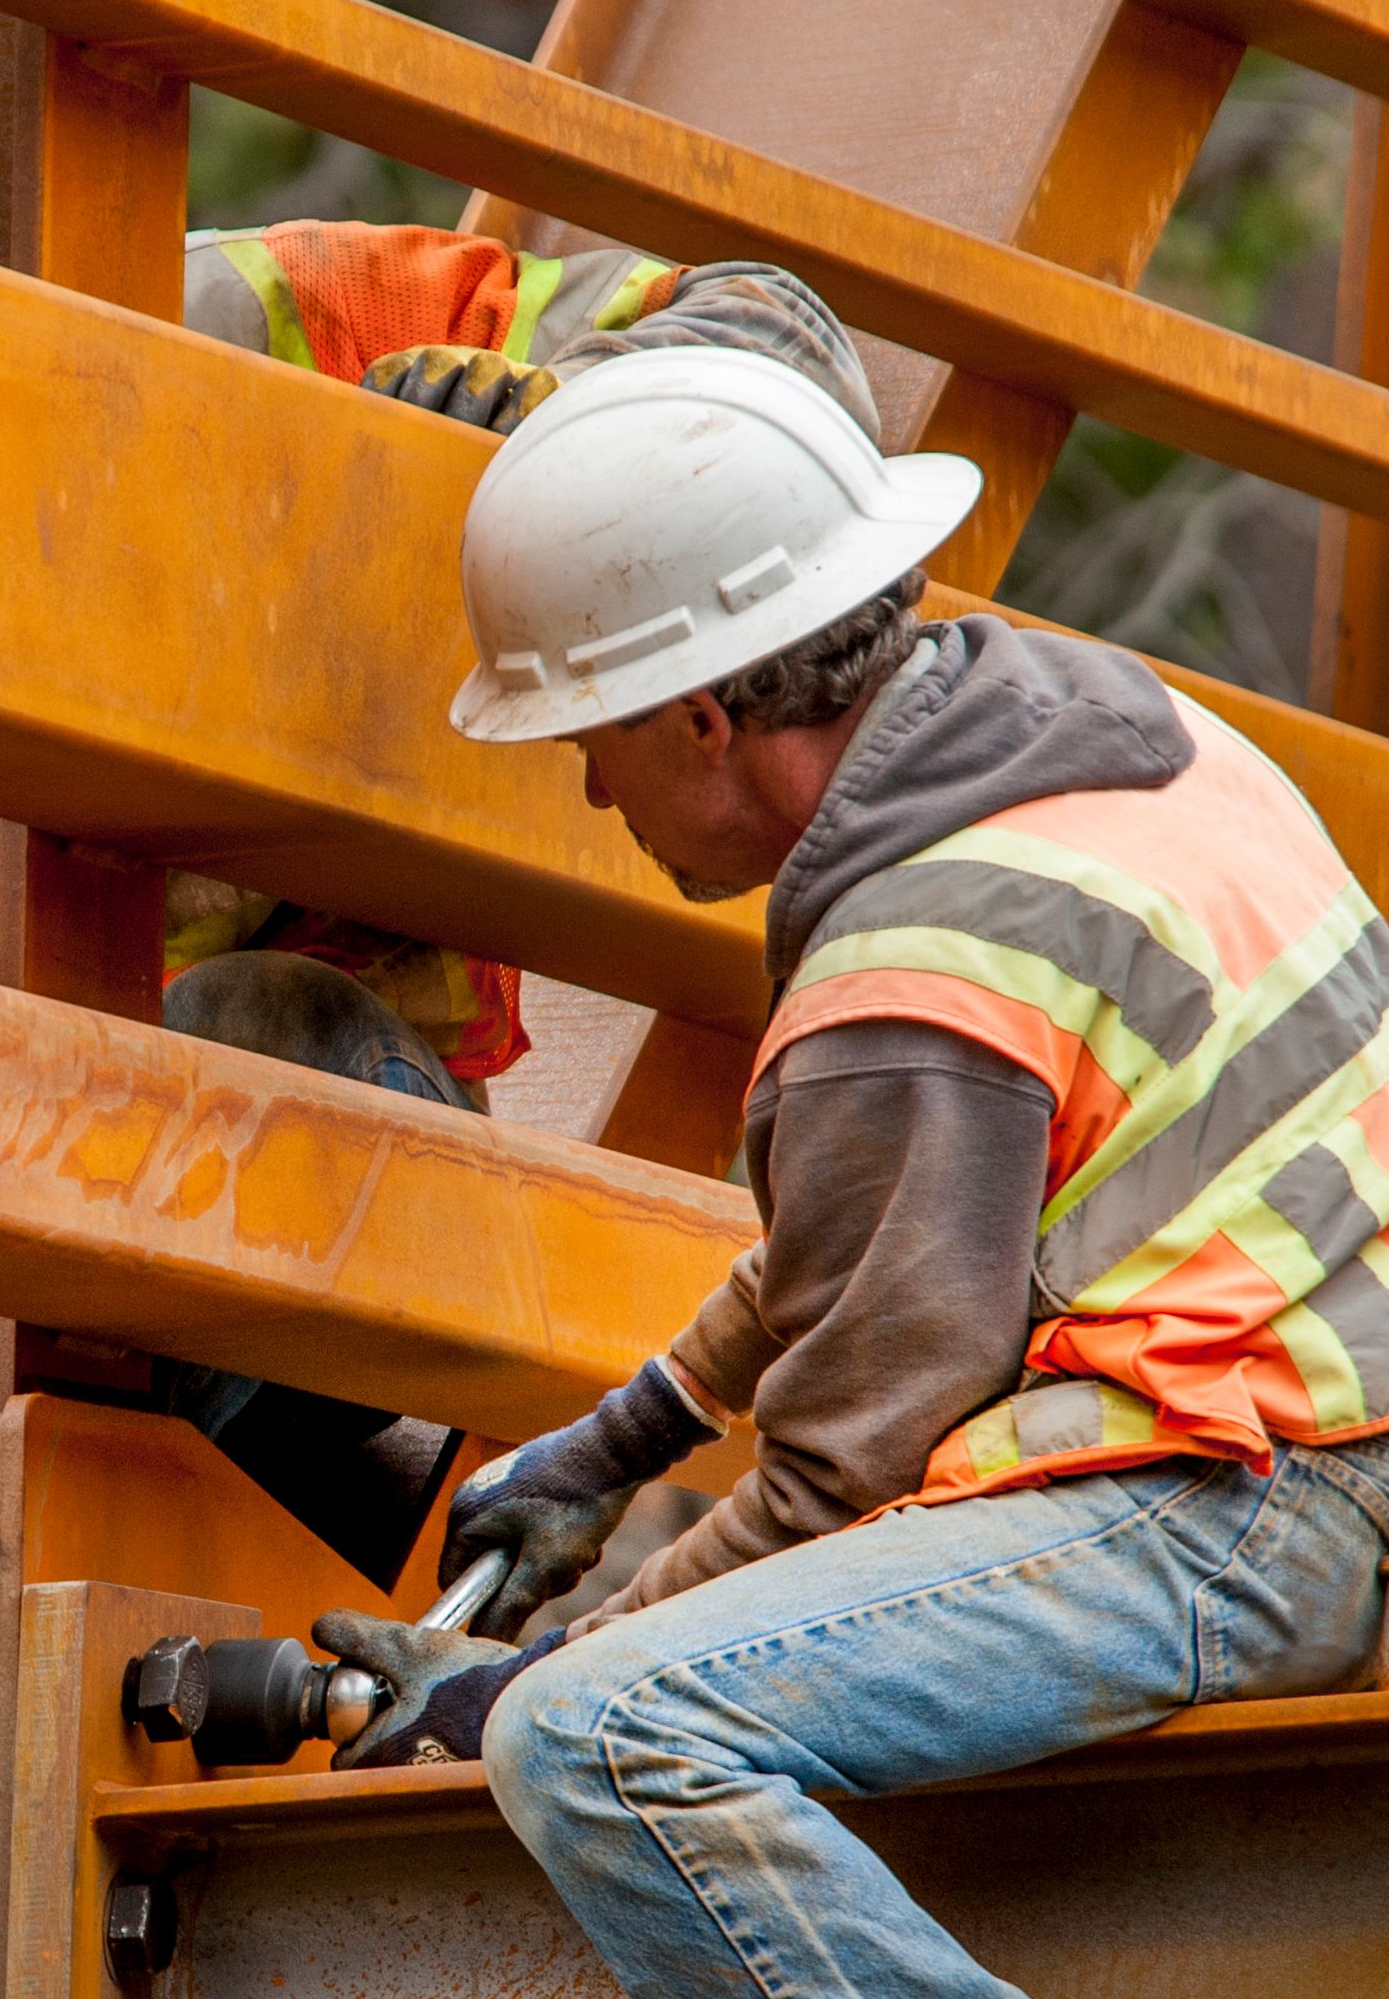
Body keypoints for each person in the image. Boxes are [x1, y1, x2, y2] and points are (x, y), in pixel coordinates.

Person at [294, 319, 1389, 1999]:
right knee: (626, 1680)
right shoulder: (1082, 737)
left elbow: (846, 1473)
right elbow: (887, 1223)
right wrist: (616, 1446)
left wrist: (523, 1672)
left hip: (1254, 1491)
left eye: (590, 730)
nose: (583, 783)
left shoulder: (903, 973)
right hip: (1344, 1436)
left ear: (703, 704)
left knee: (612, 1741)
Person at [148, 221, 886, 1586]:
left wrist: (584, 427)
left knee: (261, 1029)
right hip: (72, 1210)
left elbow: (784, 346)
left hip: (317, 1138)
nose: (601, 794)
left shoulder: (296, 319)